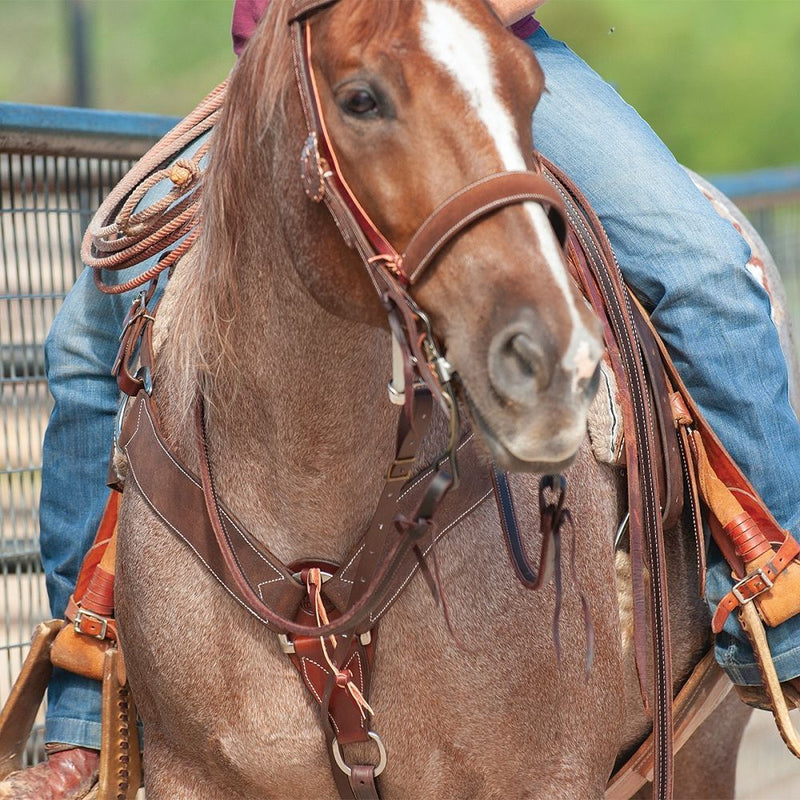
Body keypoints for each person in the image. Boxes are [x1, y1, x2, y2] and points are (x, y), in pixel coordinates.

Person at [3, 0, 799, 796]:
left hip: (476, 55)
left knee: (703, 269)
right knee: (89, 328)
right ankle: (88, 696)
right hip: (300, 74)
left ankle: (775, 600)